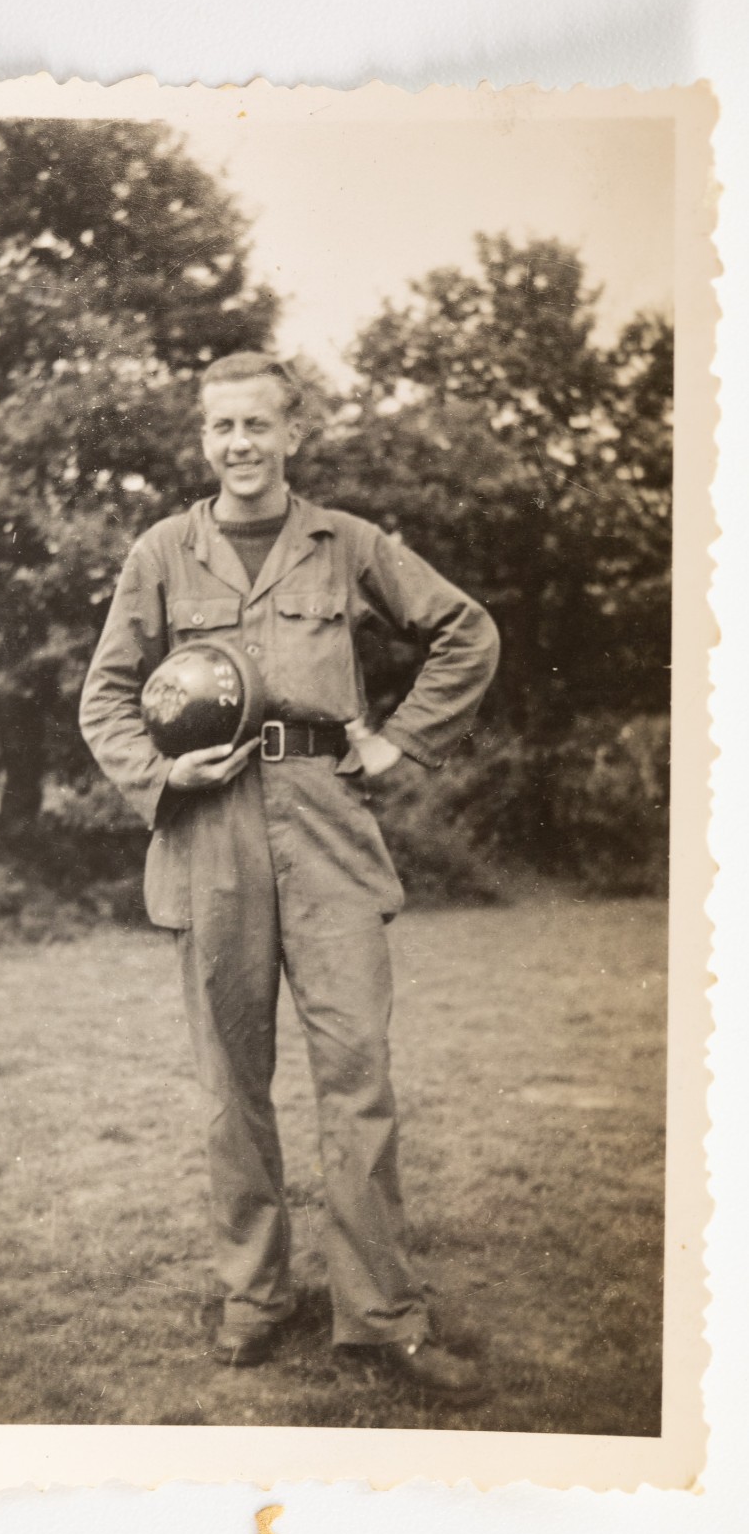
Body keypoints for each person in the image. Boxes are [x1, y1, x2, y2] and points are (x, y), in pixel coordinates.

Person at [79, 352, 500, 1399]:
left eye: (257, 425)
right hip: (208, 832)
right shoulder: (163, 552)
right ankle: (251, 1300)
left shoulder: (344, 541)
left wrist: (401, 743)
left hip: (325, 822)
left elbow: (465, 631)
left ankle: (379, 1318)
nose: (239, 445)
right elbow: (105, 698)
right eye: (221, 427)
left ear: (289, 432)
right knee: (232, 1087)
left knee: (357, 1073)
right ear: (203, 438)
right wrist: (162, 769)